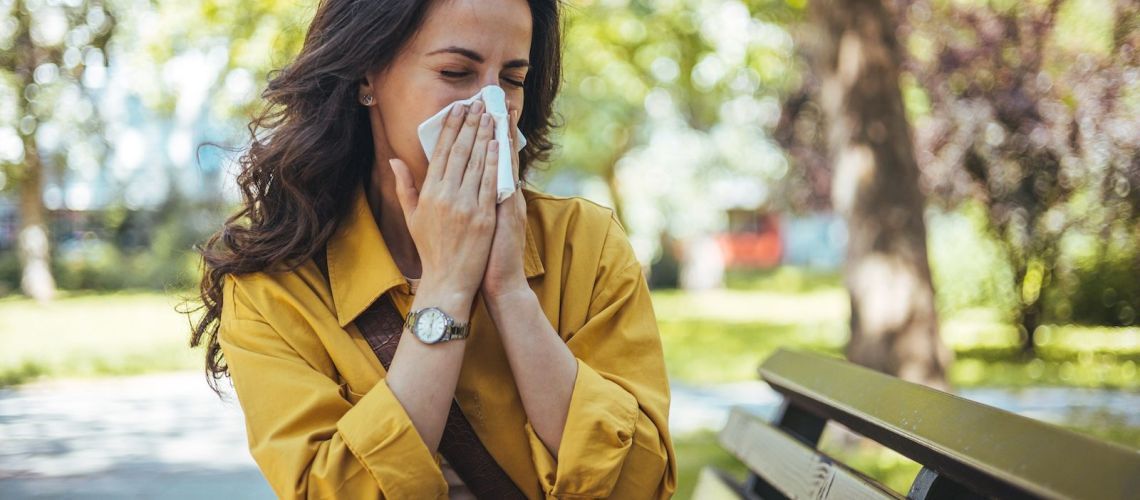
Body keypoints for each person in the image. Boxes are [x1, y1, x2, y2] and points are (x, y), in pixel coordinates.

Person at [189, 0, 676, 498]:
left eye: (512, 80)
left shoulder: (586, 244)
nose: (491, 107)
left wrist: (510, 294)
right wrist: (446, 287)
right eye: (455, 72)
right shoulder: (273, 289)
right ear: (366, 76)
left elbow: (640, 484)